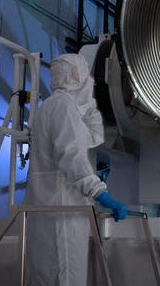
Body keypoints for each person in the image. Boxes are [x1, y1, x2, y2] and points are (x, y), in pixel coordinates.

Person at [24, 53, 128, 286]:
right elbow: (71, 157)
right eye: (87, 77)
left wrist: (88, 103)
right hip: (61, 215)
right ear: (76, 75)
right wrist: (101, 193)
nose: (90, 80)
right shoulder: (62, 106)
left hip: (55, 211)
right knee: (66, 277)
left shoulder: (54, 106)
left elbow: (92, 137)